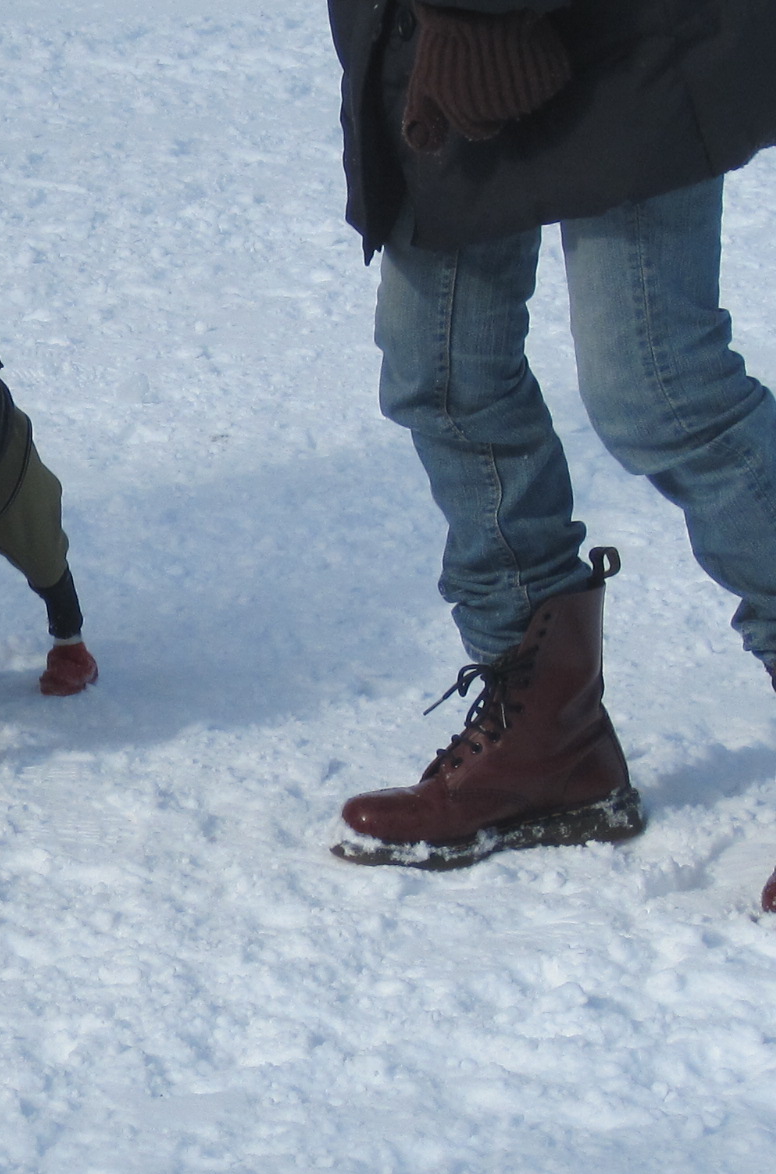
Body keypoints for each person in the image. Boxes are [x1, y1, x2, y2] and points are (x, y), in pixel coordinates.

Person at [325, 0, 776, 911]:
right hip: (433, 38)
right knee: (442, 373)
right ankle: (549, 739)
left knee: (659, 389)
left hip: (634, 32)